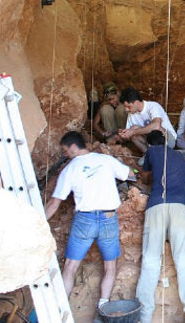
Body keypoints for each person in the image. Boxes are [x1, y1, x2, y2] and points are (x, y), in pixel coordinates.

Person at [44, 131, 134, 315]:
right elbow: (130, 174)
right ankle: (103, 308)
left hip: (84, 220)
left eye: (65, 150)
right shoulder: (106, 160)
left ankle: (58, 310)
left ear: (74, 147)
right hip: (108, 218)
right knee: (110, 266)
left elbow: (54, 204)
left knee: (70, 266)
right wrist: (136, 172)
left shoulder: (70, 169)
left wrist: (37, 223)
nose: (65, 154)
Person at [135, 130, 185, 323]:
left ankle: (143, 316)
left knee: (150, 261)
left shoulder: (152, 152)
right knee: (184, 261)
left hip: (156, 206)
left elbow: (145, 177)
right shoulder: (179, 156)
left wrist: (143, 179)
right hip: (179, 207)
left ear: (150, 145)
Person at [118, 87, 177, 155]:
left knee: (158, 129)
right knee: (133, 129)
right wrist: (125, 134)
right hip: (151, 142)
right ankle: (149, 155)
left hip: (168, 140)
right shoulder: (131, 114)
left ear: (136, 102)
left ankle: (162, 155)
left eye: (128, 107)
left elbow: (156, 126)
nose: (126, 110)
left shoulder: (153, 106)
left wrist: (133, 132)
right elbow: (130, 135)